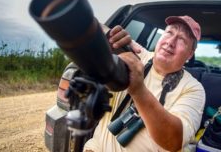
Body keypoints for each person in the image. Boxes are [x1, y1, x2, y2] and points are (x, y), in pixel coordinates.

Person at [83, 15, 206, 152]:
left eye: (182, 39)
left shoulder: (193, 89)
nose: (171, 42)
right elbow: (89, 24)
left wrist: (139, 91)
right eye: (169, 32)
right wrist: (107, 40)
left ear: (190, 54)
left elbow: (174, 142)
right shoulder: (138, 54)